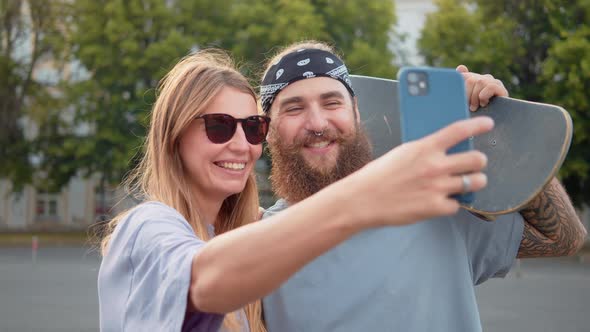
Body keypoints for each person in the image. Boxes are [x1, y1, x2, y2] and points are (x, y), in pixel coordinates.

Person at [97, 49, 499, 331]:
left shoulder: (249, 241)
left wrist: (505, 126)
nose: (240, 144)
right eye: (219, 126)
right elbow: (204, 282)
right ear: (173, 138)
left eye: (251, 127)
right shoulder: (146, 227)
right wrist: (366, 195)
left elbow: (558, 237)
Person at [259, 41, 588, 332]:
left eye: (332, 103)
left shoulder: (432, 206)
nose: (317, 123)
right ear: (268, 129)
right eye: (294, 108)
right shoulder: (253, 242)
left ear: (357, 113)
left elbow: (563, 239)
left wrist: (501, 130)